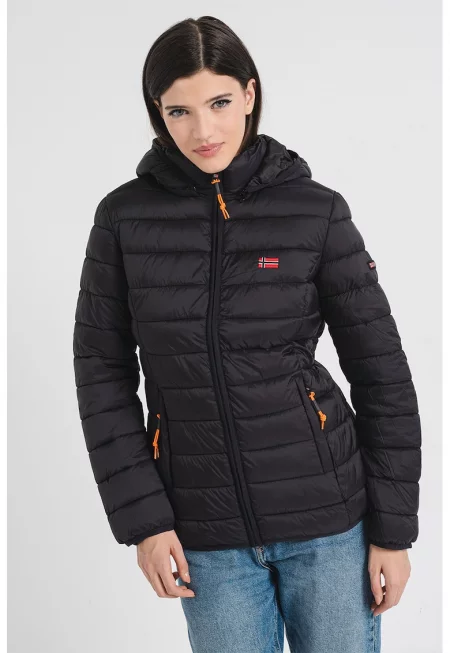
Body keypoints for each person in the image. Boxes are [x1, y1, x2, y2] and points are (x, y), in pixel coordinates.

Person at [72, 15, 421, 653]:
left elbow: (383, 373)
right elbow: (101, 374)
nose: (202, 131)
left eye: (219, 103)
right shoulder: (123, 219)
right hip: (203, 534)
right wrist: (145, 521)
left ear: (250, 94)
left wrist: (394, 532)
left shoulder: (315, 211)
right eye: (179, 112)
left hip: (329, 522)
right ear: (157, 112)